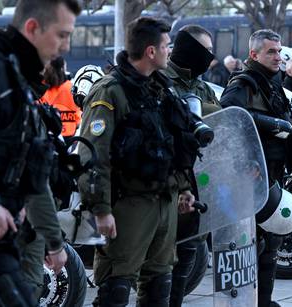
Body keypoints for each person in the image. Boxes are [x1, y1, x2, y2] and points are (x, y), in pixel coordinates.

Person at [77, 17, 199, 307]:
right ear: (151, 52)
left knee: (160, 286)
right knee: (116, 288)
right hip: (127, 206)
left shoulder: (161, 89)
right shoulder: (110, 91)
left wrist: (183, 188)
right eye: (166, 46)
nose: (170, 51)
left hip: (163, 203)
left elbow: (174, 142)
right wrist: (101, 209)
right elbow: (93, 154)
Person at [0, 0, 80, 305]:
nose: (65, 46)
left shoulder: (18, 78)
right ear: (32, 28)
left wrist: (54, 242)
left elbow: (31, 172)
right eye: (61, 35)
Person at [220, 29, 292, 307]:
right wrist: (248, 160)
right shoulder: (244, 83)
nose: (278, 56)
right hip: (250, 174)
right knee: (249, 242)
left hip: (272, 171)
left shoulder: (272, 83)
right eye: (271, 51)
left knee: (271, 239)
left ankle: (264, 301)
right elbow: (229, 118)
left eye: (279, 51)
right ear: (254, 54)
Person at [162, 24, 220, 306]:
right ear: (189, 49)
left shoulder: (204, 88)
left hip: (198, 185)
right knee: (159, 265)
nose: (210, 57)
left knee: (187, 255)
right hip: (167, 182)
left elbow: (221, 124)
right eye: (206, 50)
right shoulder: (161, 80)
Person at [40, 56, 81, 139]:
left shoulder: (41, 87)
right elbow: (78, 113)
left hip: (47, 134)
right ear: (63, 67)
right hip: (69, 133)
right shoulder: (71, 87)